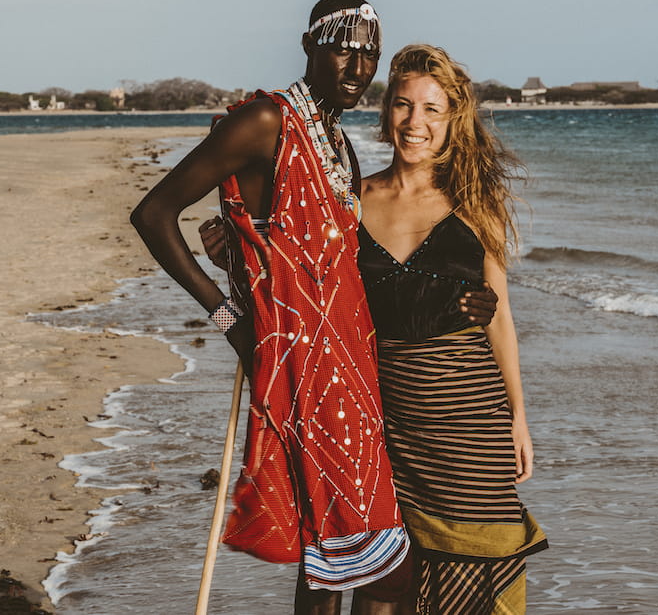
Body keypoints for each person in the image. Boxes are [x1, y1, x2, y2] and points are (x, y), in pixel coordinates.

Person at [131, 0, 494, 615]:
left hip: (352, 365)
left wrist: (451, 303)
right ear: (308, 47)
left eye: (369, 56)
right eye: (342, 51)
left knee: (331, 556)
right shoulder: (265, 121)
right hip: (304, 371)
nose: (357, 70)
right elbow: (153, 214)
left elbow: (319, 259)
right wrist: (230, 318)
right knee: (386, 569)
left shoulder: (338, 143)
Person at [203, 44, 547, 613]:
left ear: (452, 120)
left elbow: (501, 316)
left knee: (482, 562)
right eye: (405, 106)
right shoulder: (351, 200)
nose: (416, 123)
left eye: (433, 110)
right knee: (387, 573)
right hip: (379, 420)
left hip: (468, 419)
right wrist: (239, 261)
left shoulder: (474, 202)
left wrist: (518, 415)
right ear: (387, 112)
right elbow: (302, 285)